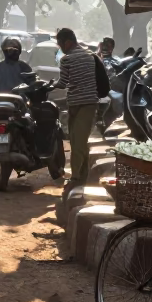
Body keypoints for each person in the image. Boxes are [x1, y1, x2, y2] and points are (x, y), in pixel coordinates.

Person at [57, 27, 102, 192]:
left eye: (61, 44)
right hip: (90, 103)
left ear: (68, 42)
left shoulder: (67, 59)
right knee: (80, 140)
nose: (60, 47)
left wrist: (50, 85)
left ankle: (76, 178)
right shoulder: (91, 56)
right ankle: (83, 175)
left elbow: (63, 83)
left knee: (77, 141)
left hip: (78, 103)